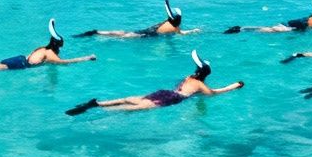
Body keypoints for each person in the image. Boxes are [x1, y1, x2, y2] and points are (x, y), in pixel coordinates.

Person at [67, 51, 245, 114]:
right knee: (136, 109)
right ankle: (103, 112)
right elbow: (214, 94)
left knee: (133, 98)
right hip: (172, 99)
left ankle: (98, 104)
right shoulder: (201, 85)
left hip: (165, 92)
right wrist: (233, 86)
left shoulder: (188, 77)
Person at [75, 0, 198, 39]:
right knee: (125, 37)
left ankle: (99, 32)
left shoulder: (166, 21)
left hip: (147, 30)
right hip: (147, 36)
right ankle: (103, 38)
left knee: (124, 32)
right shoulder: (175, 28)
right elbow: (182, 34)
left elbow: (169, 12)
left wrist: (167, 4)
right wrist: (194, 31)